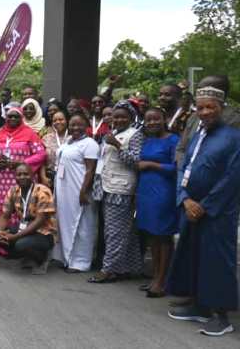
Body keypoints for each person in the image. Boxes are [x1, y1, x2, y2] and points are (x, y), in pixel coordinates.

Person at [167, 86, 240, 337]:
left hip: (217, 212)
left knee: (216, 261)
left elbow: (232, 177)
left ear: (222, 109)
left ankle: (222, 316)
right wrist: (185, 199)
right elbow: (183, 168)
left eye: (211, 107)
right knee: (193, 256)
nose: (205, 111)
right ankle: (199, 306)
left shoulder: (233, 137)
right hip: (191, 208)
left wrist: (205, 206)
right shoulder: (198, 135)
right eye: (201, 107)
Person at [89, 101, 144, 283]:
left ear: (130, 118)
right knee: (122, 230)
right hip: (106, 186)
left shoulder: (135, 135)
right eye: (116, 116)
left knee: (114, 232)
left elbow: (136, 161)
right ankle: (129, 267)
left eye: (123, 117)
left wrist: (118, 146)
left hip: (121, 189)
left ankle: (108, 270)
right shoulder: (112, 133)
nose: (118, 119)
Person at [0, 106, 46, 255]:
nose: (12, 119)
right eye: (10, 116)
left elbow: (41, 154)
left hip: (20, 180)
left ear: (21, 118)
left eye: (16, 116)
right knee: (0, 210)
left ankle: (15, 245)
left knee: (17, 209)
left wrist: (21, 163)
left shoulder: (30, 134)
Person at [136, 107, 179, 297]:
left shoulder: (173, 140)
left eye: (156, 119)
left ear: (164, 119)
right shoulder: (148, 140)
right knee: (152, 235)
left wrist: (152, 165)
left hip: (163, 192)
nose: (152, 123)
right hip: (146, 191)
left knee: (163, 236)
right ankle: (155, 276)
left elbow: (177, 167)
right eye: (148, 120)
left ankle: (163, 280)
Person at [0, 163, 57, 274]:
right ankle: (25, 256)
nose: (22, 177)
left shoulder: (43, 191)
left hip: (44, 232)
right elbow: (5, 214)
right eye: (19, 174)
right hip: (24, 229)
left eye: (26, 174)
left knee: (20, 244)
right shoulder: (13, 191)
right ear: (15, 177)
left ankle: (42, 259)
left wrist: (15, 237)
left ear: (32, 175)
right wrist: (1, 232)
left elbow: (39, 221)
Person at [53, 113, 100, 273]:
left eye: (79, 125)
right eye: (72, 125)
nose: (75, 128)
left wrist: (83, 191)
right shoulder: (69, 142)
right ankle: (66, 257)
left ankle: (80, 262)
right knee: (65, 224)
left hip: (79, 191)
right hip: (64, 190)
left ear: (86, 125)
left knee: (83, 226)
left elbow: (90, 170)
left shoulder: (90, 144)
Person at [175, 75, 240, 165]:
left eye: (204, 89)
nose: (199, 93)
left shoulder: (235, 120)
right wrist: (182, 170)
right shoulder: (194, 117)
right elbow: (181, 148)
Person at [40, 110, 68, 188]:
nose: (58, 122)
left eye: (61, 119)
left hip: (69, 176)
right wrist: (43, 177)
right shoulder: (46, 138)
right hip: (50, 177)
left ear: (67, 121)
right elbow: (42, 160)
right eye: (55, 120)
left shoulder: (73, 138)